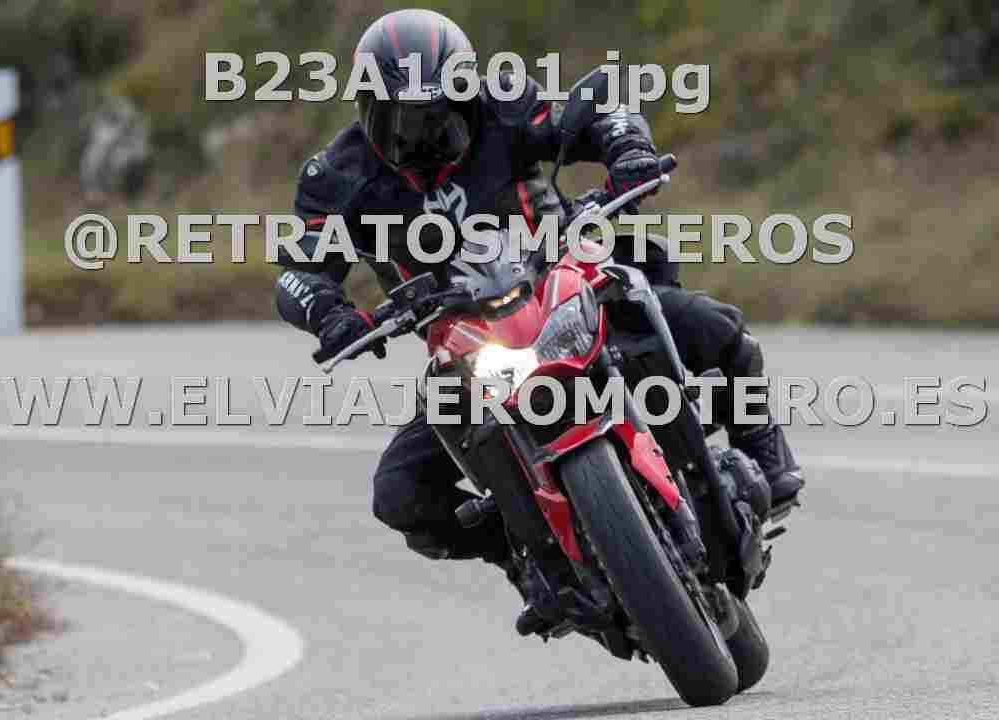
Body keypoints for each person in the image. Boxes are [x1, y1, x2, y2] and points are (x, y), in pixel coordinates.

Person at [275, 9, 804, 633]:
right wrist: (329, 313)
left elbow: (599, 103)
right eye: (402, 121)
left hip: (566, 283)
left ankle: (766, 459)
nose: (425, 136)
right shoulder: (336, 177)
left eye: (442, 115)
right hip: (466, 344)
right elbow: (298, 270)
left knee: (719, 330)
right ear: (367, 110)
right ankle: (529, 562)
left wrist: (626, 147)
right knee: (400, 494)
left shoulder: (506, 105)